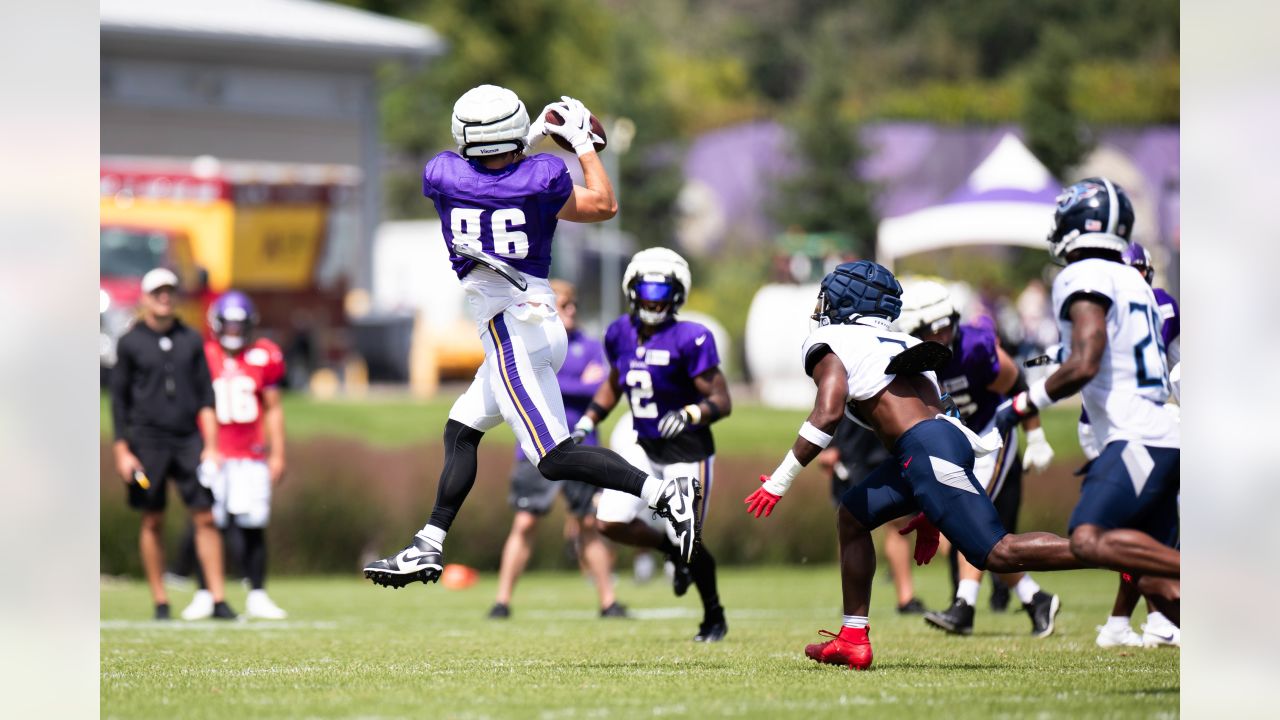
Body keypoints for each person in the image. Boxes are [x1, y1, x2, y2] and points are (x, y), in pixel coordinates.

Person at [364, 85, 701, 590]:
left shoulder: (441, 175)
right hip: (535, 320)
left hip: (511, 329)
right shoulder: (542, 178)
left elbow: (489, 171)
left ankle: (662, 495)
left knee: (553, 457)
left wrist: (536, 135)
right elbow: (605, 204)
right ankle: (428, 544)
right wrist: (579, 142)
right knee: (462, 429)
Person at [744, 260, 1084, 670]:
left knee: (997, 552)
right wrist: (928, 505)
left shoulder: (833, 340)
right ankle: (852, 637)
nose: (822, 306)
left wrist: (779, 481)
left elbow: (828, 413)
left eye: (829, 297)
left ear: (846, 302)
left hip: (924, 447)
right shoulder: (902, 341)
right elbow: (939, 413)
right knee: (853, 515)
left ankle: (1110, 552)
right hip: (934, 443)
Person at [994, 178, 1180, 627]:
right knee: (1156, 583)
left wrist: (1023, 403)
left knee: (1088, 539)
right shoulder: (1134, 281)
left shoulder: (1084, 274)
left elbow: (1085, 361)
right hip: (1165, 434)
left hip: (1137, 436)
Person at [572, 248, 733, 642]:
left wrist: (693, 413)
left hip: (687, 451)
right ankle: (668, 548)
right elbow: (615, 383)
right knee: (608, 521)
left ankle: (714, 615)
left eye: (662, 293)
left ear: (677, 295)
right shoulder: (619, 333)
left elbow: (722, 400)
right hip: (643, 444)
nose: (653, 301)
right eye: (646, 292)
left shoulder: (692, 337)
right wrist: (588, 420)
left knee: (689, 536)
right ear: (632, 291)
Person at [895, 280, 1061, 638]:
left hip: (991, 433)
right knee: (974, 534)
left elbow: (1018, 385)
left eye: (933, 331)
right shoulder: (913, 360)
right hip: (958, 442)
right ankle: (1035, 599)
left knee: (968, 521)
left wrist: (1035, 435)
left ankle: (964, 607)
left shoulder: (973, 348)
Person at [488, 280, 626, 619]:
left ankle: (609, 602)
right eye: (564, 304)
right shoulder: (529, 343)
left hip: (582, 446)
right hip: (536, 448)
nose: (572, 310)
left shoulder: (591, 346)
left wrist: (558, 379)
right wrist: (574, 382)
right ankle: (501, 602)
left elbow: (602, 386)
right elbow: (523, 379)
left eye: (573, 304)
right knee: (524, 524)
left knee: (589, 525)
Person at [109, 268, 236, 620]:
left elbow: (205, 397)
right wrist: (122, 449)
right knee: (152, 519)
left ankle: (217, 597)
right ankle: (161, 600)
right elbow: (118, 401)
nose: (164, 297)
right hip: (147, 441)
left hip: (188, 440)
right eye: (157, 291)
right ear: (146, 297)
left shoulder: (191, 340)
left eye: (169, 291)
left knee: (205, 516)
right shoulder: (131, 342)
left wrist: (211, 446)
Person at [1088, 241, 1181, 648]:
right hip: (1116, 428)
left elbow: (1178, 366)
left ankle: (1126, 621)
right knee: (1131, 525)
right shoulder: (1140, 304)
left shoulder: (1140, 304)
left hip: (1142, 425)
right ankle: (1148, 618)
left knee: (1143, 523)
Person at [179, 291, 289, 620]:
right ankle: (204, 593)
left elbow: (273, 409)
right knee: (208, 523)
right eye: (227, 324)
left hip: (251, 455)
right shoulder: (204, 355)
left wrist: (278, 453)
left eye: (239, 325)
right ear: (216, 324)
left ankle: (256, 593)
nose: (233, 331)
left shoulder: (264, 354)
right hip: (214, 455)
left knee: (252, 525)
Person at [817, 420, 927, 615]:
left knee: (900, 523)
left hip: (890, 444)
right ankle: (852, 599)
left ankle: (906, 599)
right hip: (851, 449)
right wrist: (829, 445)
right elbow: (830, 401)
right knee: (849, 525)